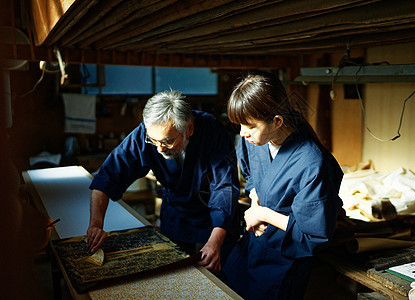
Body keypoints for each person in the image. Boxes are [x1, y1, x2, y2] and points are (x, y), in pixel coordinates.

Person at [87, 90, 240, 272]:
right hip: (177, 214)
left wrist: (215, 241)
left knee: (221, 276)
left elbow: (224, 188)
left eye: (167, 141)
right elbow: (107, 176)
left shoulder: (212, 131)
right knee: (175, 273)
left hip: (215, 217)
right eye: (153, 141)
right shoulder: (145, 134)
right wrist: (96, 225)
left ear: (189, 128)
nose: (159, 148)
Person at [222, 71, 344, 299]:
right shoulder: (256, 137)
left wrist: (263, 214)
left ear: (277, 121)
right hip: (253, 242)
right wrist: (255, 200)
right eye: (239, 125)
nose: (242, 133)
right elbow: (252, 176)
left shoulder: (311, 162)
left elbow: (313, 235)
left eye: (248, 126)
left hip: (284, 258)